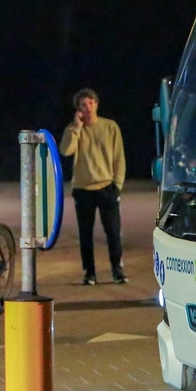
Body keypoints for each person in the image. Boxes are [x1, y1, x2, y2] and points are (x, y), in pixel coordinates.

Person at [59, 88, 127, 285]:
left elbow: (119, 158)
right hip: (82, 189)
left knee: (113, 232)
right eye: (83, 104)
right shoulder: (74, 129)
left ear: (96, 104)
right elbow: (65, 150)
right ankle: (89, 272)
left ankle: (117, 269)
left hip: (106, 186)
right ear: (78, 109)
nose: (87, 107)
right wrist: (76, 128)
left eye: (90, 103)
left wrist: (118, 184)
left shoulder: (110, 127)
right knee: (85, 234)